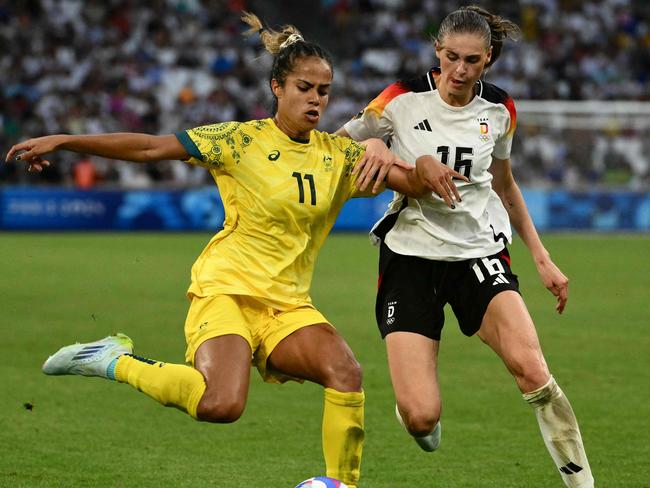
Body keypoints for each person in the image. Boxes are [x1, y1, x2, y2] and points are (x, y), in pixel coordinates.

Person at [5, 13, 446, 488]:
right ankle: (112, 360)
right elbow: (152, 148)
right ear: (277, 87)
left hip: (287, 305)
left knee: (346, 372)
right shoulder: (238, 140)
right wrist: (67, 141)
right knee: (221, 405)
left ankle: (342, 485)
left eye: (324, 90)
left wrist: (404, 154)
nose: (315, 99)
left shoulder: (339, 156)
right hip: (226, 291)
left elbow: (418, 185)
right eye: (304, 87)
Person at [337, 6, 594, 487]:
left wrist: (542, 258)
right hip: (411, 256)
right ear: (437, 50)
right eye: (451, 57)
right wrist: (373, 147)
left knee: (533, 371)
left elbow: (506, 186)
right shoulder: (398, 100)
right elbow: (333, 149)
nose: (459, 70)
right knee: (420, 416)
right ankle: (418, 415)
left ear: (488, 59)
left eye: (472, 60)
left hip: (479, 252)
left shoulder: (500, 110)